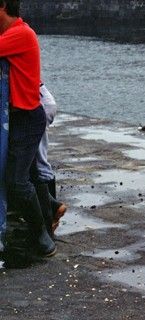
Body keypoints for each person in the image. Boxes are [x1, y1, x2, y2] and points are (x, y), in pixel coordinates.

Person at [0, 0, 55, 256]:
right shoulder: (16, 33)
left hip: (28, 117)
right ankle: (47, 220)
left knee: (17, 182)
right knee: (31, 173)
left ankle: (42, 238)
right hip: (22, 117)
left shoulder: (19, 34)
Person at [37, 83, 66, 234]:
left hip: (39, 105)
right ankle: (51, 212)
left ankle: (51, 215)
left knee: (38, 162)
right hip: (42, 102)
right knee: (38, 160)